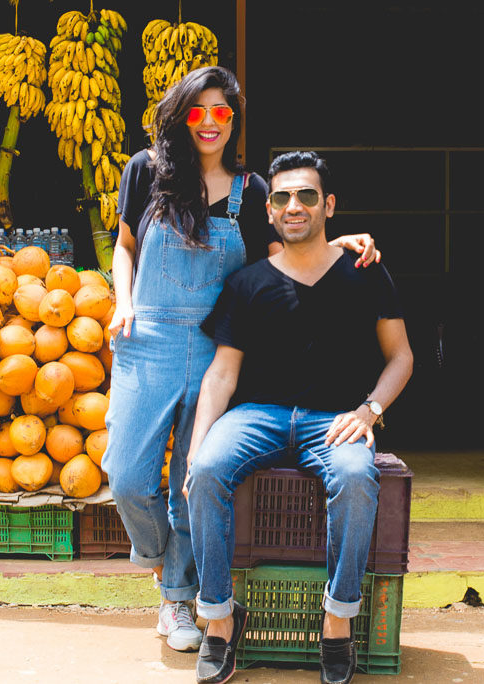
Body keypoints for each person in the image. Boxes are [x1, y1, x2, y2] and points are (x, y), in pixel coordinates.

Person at [102, 68, 381, 653]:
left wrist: (342, 242)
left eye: (221, 112)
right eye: (197, 111)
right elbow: (125, 246)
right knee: (126, 476)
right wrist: (123, 302)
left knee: (189, 478)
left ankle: (177, 599)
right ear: (181, 116)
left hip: (216, 350)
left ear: (233, 120)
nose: (209, 122)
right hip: (145, 339)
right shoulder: (145, 171)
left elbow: (288, 254)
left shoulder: (253, 190)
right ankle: (160, 566)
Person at [185, 151, 414, 684]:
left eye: (307, 196)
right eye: (283, 197)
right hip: (257, 416)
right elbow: (222, 375)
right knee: (207, 471)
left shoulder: (365, 272)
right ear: (268, 210)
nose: (295, 206)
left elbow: (401, 356)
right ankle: (218, 622)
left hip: (332, 418)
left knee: (358, 477)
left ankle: (336, 624)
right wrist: (198, 445)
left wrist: (369, 409)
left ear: (327, 206)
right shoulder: (248, 284)